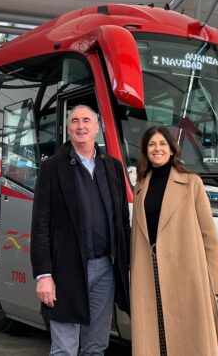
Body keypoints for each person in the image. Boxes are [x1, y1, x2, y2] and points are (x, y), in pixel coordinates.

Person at [30, 105, 131, 356]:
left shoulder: (114, 167)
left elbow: (122, 223)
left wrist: (127, 267)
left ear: (97, 127)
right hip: (67, 270)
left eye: (87, 120)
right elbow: (40, 225)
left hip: (106, 269)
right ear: (68, 128)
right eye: (74, 121)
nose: (81, 126)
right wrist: (44, 275)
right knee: (64, 348)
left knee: (96, 347)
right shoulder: (52, 168)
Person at [130, 126, 218, 356]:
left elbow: (209, 236)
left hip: (187, 274)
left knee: (189, 340)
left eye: (163, 143)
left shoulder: (192, 183)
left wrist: (216, 283)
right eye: (152, 144)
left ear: (172, 150)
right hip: (148, 272)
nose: (157, 149)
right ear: (145, 151)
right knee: (156, 339)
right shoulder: (140, 186)